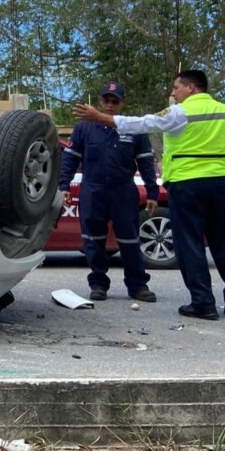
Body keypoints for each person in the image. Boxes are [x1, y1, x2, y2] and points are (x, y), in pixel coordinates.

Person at [73, 69, 225, 321]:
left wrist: (102, 118)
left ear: (190, 88)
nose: (173, 93)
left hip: (186, 184)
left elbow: (145, 123)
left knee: (189, 244)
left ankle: (203, 303)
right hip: (218, 184)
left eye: (176, 88)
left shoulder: (180, 112)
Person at [60, 82, 160, 303]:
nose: (110, 105)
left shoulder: (133, 128)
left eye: (115, 101)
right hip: (92, 190)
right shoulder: (84, 127)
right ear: (99, 101)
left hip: (123, 191)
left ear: (122, 103)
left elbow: (145, 163)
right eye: (106, 100)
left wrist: (152, 192)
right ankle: (98, 284)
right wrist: (64, 185)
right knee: (93, 240)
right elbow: (70, 158)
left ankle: (138, 286)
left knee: (130, 239)